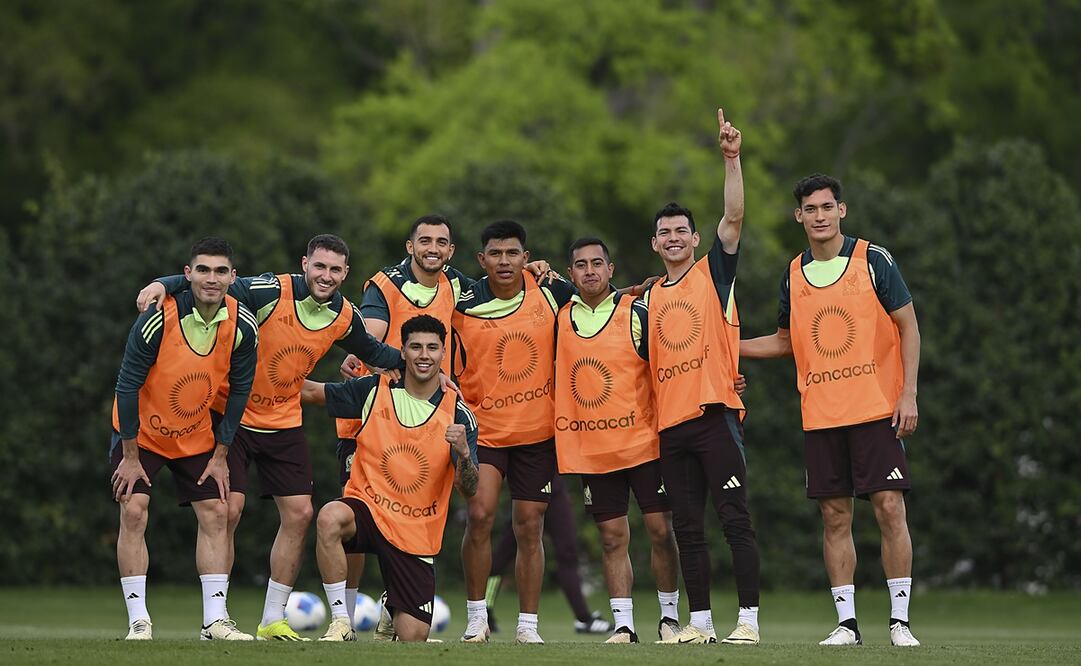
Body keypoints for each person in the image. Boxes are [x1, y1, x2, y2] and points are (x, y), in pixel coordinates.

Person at [135, 234, 402, 641]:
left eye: (335, 269)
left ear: (345, 274)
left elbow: (375, 352)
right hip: (231, 416)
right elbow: (213, 281)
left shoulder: (346, 317)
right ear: (304, 264)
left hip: (284, 420)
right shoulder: (269, 290)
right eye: (319, 266)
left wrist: (422, 367)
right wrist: (164, 283)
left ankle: (272, 619)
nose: (326, 275)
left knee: (300, 514)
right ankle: (217, 620)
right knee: (227, 511)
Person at [332, 214, 549, 630]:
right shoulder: (385, 284)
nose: (433, 248)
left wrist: (537, 271)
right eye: (425, 241)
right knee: (354, 513)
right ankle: (344, 617)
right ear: (410, 245)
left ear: (450, 251)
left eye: (441, 242)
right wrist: (366, 356)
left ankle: (397, 599)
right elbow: (371, 329)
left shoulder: (456, 285)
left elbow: (502, 283)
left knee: (421, 508)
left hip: (432, 416)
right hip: (378, 413)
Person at [740, 173, 921, 647]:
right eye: (810, 209)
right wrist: (726, 348)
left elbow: (909, 326)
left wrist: (909, 394)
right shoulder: (793, 272)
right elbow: (783, 342)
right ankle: (848, 625)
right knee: (835, 518)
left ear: (841, 210)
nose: (819, 216)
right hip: (821, 416)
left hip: (876, 410)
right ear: (798, 216)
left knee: (888, 509)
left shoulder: (872, 259)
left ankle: (899, 623)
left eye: (827, 207)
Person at [644, 109, 761, 645]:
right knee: (686, 530)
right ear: (654, 244)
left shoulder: (713, 273)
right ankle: (700, 624)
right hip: (671, 427)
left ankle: (749, 623)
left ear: (695, 238)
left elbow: (734, 218)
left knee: (735, 519)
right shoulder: (648, 297)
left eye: (680, 231)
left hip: (715, 417)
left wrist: (731, 158)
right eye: (663, 233)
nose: (672, 238)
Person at [111, 237, 259, 640]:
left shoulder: (243, 325)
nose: (212, 278)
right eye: (204, 270)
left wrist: (221, 454)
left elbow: (240, 392)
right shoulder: (158, 318)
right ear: (188, 274)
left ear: (233, 277)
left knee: (217, 512)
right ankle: (138, 620)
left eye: (221, 271)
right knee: (134, 509)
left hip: (195, 434)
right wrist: (129, 455)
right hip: (141, 434)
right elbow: (127, 386)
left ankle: (215, 621)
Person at [300, 315, 480, 642]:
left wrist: (464, 454)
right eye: (415, 347)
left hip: (415, 531)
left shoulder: (458, 413)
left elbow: (470, 489)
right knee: (329, 517)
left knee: (413, 639)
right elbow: (312, 393)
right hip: (369, 509)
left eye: (432, 348)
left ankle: (392, 606)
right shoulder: (375, 388)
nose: (423, 355)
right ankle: (341, 622)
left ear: (443, 354)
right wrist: (262, 372)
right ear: (403, 351)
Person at [553, 237, 682, 643]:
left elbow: (670, 367)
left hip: (644, 444)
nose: (589, 270)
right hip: (593, 449)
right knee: (612, 538)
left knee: (661, 531)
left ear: (611, 269)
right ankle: (624, 624)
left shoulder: (637, 310)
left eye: (597, 263)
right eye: (580, 265)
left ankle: (669, 617)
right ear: (570, 274)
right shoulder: (558, 316)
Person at [453, 220, 575, 644]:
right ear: (480, 259)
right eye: (495, 253)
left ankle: (528, 626)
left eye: (512, 253)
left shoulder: (550, 290)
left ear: (526, 257)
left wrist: (639, 292)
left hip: (537, 433)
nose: (504, 261)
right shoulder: (462, 300)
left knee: (529, 526)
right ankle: (475, 619)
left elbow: (602, 307)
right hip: (483, 435)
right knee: (481, 516)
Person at [483, 474, 614, 636]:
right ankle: (484, 610)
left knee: (567, 552)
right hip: (527, 485)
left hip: (552, 483)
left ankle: (583, 619)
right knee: (505, 553)